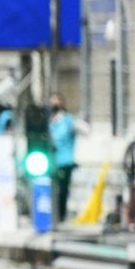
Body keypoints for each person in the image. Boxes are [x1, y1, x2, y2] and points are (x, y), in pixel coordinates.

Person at [48, 93, 87, 224]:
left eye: (57, 102)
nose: (54, 105)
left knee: (62, 190)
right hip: (50, 162)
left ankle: (60, 216)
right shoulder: (48, 121)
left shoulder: (68, 120)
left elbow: (85, 130)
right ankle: (51, 215)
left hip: (64, 161)